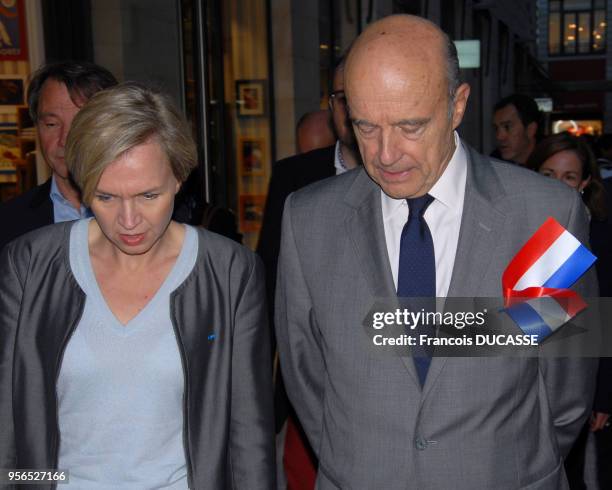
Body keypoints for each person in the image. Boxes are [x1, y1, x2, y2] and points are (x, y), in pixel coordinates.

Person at [275, 14, 597, 489]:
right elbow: (305, 373)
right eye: (366, 127)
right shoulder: (307, 220)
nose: (386, 154)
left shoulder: (548, 218)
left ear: (458, 105)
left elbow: (565, 392)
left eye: (410, 126)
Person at [0, 83, 275, 488]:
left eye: (149, 195)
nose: (129, 221)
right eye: (106, 197)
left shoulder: (230, 271)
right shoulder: (32, 264)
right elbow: (9, 419)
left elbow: (248, 436)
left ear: (180, 178)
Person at [257, 53, 360, 490]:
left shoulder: (543, 209)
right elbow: (269, 279)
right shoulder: (297, 184)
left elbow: (567, 364)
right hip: (311, 388)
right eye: (344, 98)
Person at [527, 132, 612, 490]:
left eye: (569, 177)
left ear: (585, 183)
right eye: (548, 175)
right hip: (522, 377)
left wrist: (601, 394)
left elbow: (602, 318)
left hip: (573, 381)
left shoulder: (597, 235)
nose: (559, 187)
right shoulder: (515, 227)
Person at [0, 61, 118, 250]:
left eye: (81, 124)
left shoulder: (165, 214)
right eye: (51, 125)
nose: (65, 140)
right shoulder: (8, 224)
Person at [492, 93, 541, 165]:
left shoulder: (550, 163)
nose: (499, 137)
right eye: (496, 128)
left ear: (530, 130)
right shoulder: (494, 163)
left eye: (507, 127)